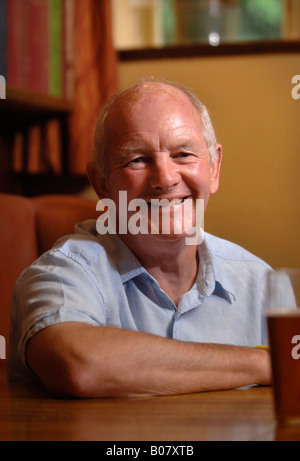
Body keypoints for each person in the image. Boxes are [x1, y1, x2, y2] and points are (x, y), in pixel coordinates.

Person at [8, 79, 272, 397]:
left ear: (214, 169)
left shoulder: (261, 281)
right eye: (137, 160)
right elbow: (79, 365)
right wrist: (267, 363)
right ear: (102, 183)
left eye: (183, 154)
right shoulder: (59, 274)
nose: (165, 178)